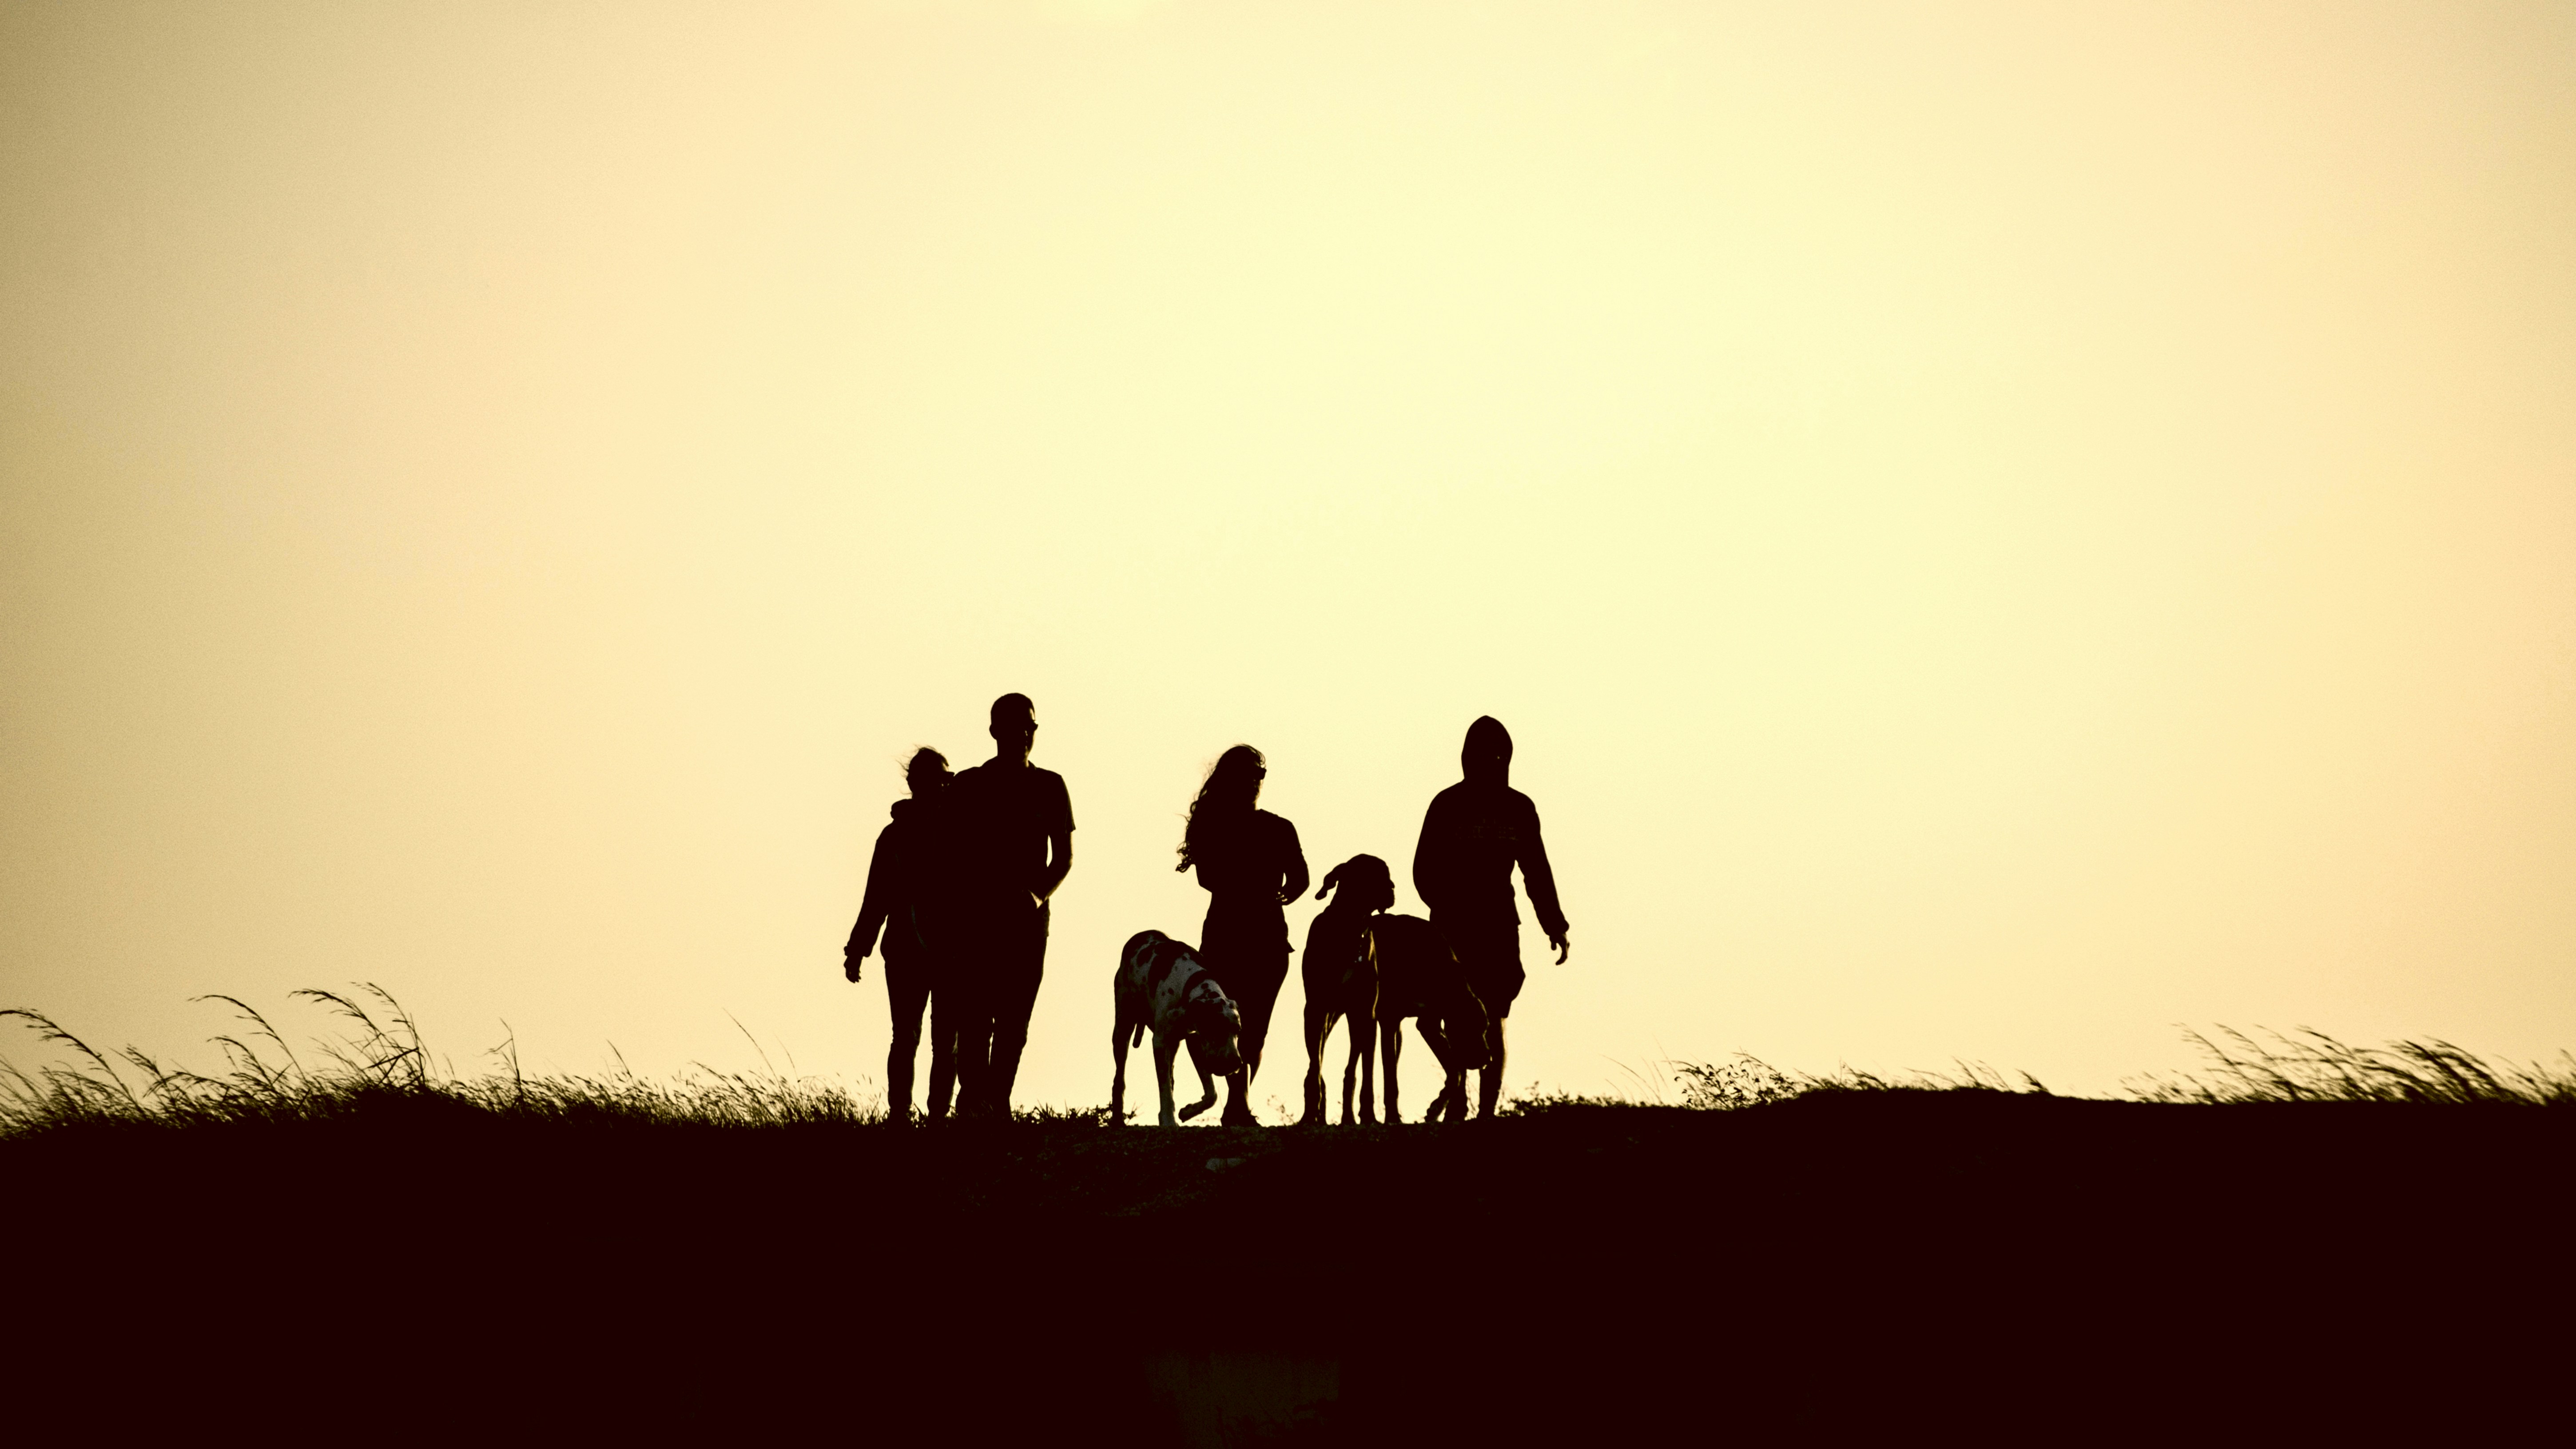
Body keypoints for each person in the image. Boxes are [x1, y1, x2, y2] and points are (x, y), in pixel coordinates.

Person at [1412, 715, 1569, 1120]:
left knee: (1494, 1017)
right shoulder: (1446, 804)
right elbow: (1423, 868)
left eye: (1496, 754)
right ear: (1467, 757)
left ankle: (1486, 1113)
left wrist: (1555, 924)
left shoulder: (1519, 808)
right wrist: (1444, 911)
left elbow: (1537, 870)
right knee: (1444, 1016)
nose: (1488, 760)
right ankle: (1458, 1091)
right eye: (1479, 753)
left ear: (1507, 757)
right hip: (1452, 927)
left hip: (1500, 926)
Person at [941, 694, 1073, 1119]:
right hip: (976, 919)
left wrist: (1037, 896)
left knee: (1015, 1019)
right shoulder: (969, 784)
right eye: (1016, 726)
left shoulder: (1051, 785)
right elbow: (947, 851)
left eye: (1031, 726)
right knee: (976, 1017)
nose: (1025, 734)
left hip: (1028, 922)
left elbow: (1065, 857)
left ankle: (996, 1102)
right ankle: (974, 1100)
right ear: (995, 730)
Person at [1176, 744, 1308, 1127]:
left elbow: (1301, 876)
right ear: (1230, 777)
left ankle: (1239, 1104)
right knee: (1216, 1024)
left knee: (1255, 1030)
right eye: (1248, 773)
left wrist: (1290, 892)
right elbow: (1207, 877)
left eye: (1261, 774)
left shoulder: (1280, 828)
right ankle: (1228, 1097)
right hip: (1225, 940)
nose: (1255, 781)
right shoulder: (1213, 826)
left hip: (1269, 942)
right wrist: (1250, 885)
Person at [845, 747, 956, 1123]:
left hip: (949, 951)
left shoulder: (959, 831)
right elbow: (876, 896)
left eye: (945, 778)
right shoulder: (894, 836)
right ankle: (901, 1116)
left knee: (943, 1042)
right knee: (909, 1038)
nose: (943, 785)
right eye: (937, 779)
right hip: (908, 950)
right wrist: (858, 948)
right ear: (914, 783)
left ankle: (935, 1118)